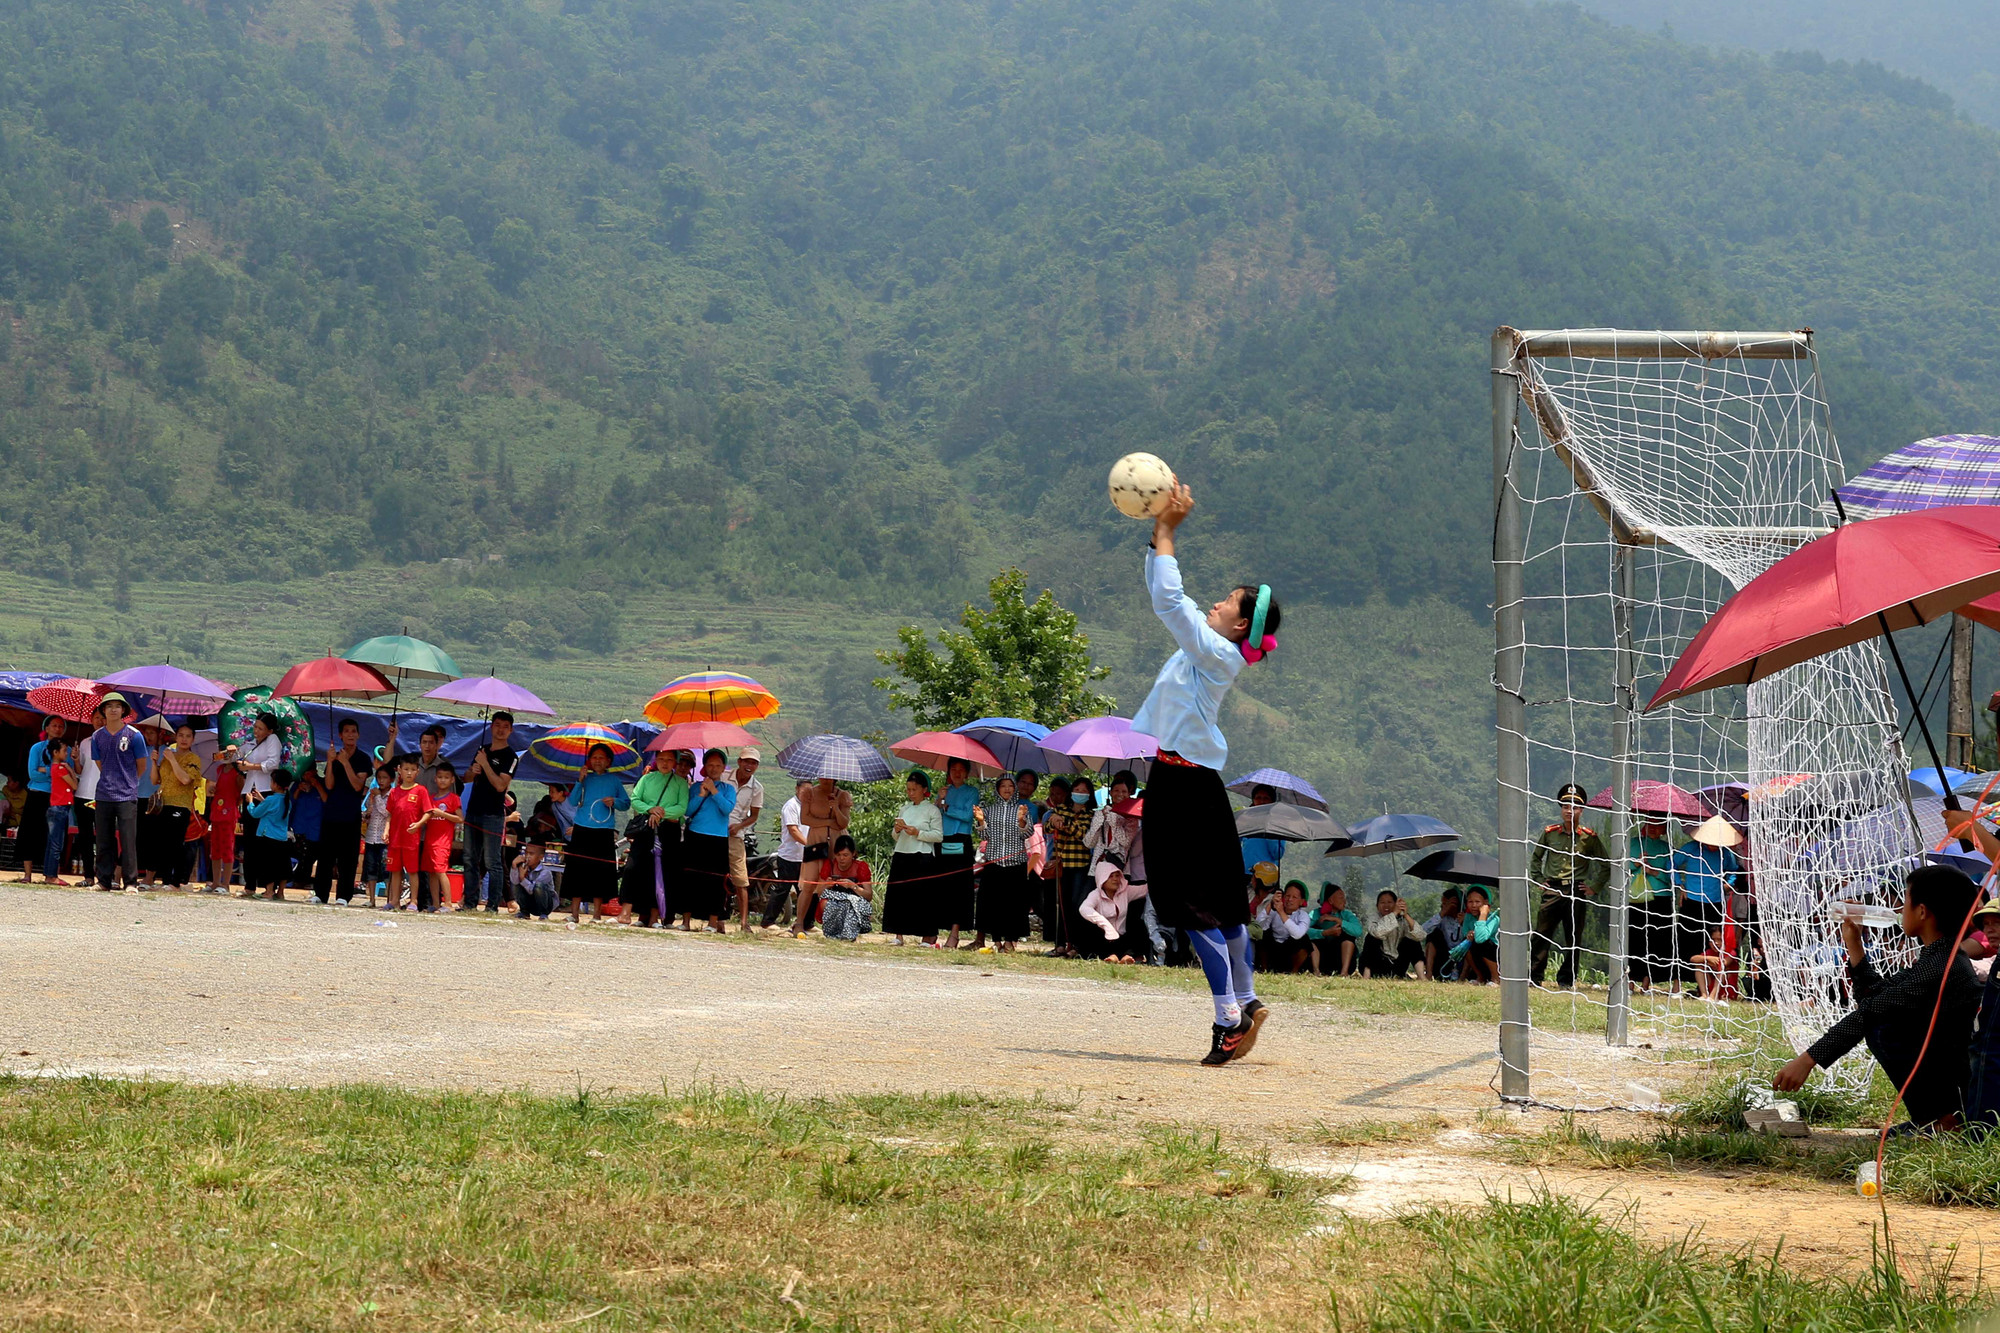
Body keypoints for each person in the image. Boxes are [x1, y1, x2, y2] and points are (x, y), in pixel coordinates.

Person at [1129, 479, 1283, 1065]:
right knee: (1224, 905)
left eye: (1227, 602)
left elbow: (1170, 603)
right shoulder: (1212, 649)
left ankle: (1227, 1021)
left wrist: (1168, 530)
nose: (1215, 603)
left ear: (1241, 626)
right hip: (1201, 787)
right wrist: (1156, 536)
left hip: (1180, 787)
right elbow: (1169, 598)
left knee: (1191, 910)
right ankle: (1246, 999)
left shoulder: (1214, 652)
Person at [1774, 864, 1982, 1132]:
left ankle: (1943, 1118)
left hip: (1954, 1081)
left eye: (1904, 901)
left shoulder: (1941, 965)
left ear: (1921, 911)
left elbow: (1872, 1012)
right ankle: (1933, 1116)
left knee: (1884, 1026)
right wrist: (1854, 943)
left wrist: (1808, 1059)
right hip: (1950, 1074)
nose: (1898, 911)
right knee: (1882, 1020)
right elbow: (1874, 997)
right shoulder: (1940, 957)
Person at [1528, 783, 1610, 989]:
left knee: (1573, 936)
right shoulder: (1550, 833)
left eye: (1574, 807)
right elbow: (1536, 858)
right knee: (1541, 935)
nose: (1569, 811)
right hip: (1552, 889)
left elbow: (1605, 863)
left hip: (1576, 890)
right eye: (1565, 806)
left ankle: (1566, 979)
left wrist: (1595, 887)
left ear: (1581, 810)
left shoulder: (1588, 838)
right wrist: (1539, 880)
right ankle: (1535, 977)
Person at [1673, 816, 1743, 1001]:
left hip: (1715, 903)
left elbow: (1734, 870)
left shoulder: (1725, 854)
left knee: (1710, 945)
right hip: (1692, 901)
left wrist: (1729, 884)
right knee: (1685, 942)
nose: (1713, 846)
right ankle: (1677, 985)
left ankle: (1707, 989)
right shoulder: (1691, 848)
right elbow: (1671, 864)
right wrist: (1680, 884)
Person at [86, 694, 149, 893]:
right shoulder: (97, 736)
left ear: (123, 711)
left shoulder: (134, 734)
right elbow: (100, 764)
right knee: (103, 839)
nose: (113, 710)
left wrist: (129, 782)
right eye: (109, 706)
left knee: (129, 840)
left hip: (127, 795)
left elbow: (142, 765)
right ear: (103, 711)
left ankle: (130, 882)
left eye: (117, 706)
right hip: (104, 793)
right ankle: (104, 881)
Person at [561, 744, 629, 924]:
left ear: (608, 761)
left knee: (600, 872)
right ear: (589, 760)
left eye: (601, 758)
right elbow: (573, 801)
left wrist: (614, 801)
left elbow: (626, 803)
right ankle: (574, 914)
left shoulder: (614, 781)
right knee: (577, 870)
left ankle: (597, 915)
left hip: (603, 831)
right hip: (582, 828)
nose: (597, 761)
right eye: (594, 757)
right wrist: (579, 780)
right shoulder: (585, 779)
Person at [461, 712, 517, 914]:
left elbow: (501, 785)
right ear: (491, 727)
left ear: (510, 731)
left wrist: (485, 764)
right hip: (473, 810)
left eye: (505, 726)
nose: (500, 729)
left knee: (492, 861)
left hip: (493, 814)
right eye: (497, 725)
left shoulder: (511, 756)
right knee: (469, 858)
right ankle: (470, 902)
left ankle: (493, 905)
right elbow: (466, 778)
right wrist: (474, 769)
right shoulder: (481, 750)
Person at [627, 748, 689, 927]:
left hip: (669, 831)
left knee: (663, 872)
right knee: (640, 869)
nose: (665, 763)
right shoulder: (646, 779)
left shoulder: (680, 782)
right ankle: (642, 915)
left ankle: (656, 915)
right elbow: (635, 799)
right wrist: (650, 809)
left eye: (669, 759)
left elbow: (681, 808)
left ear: (675, 763)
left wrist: (661, 813)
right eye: (661, 759)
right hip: (647, 828)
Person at [882, 770, 943, 946]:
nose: (910, 793)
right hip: (902, 854)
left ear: (924, 789)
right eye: (908, 789)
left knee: (923, 898)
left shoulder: (932, 810)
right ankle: (898, 934)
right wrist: (898, 829)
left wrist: (918, 832)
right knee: (899, 896)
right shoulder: (904, 809)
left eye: (914, 789)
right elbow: (895, 836)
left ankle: (927, 935)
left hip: (922, 856)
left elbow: (938, 836)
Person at [974, 774, 1032, 952]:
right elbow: (984, 836)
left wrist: (1022, 820)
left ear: (1015, 789)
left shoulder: (1021, 808)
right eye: (1003, 786)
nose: (1007, 789)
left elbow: (1027, 834)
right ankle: (996, 940)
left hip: (1016, 864)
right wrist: (981, 821)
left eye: (1010, 786)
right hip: (994, 862)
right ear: (997, 789)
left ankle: (1010, 941)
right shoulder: (989, 810)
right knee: (993, 903)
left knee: (1014, 905)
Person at [680, 749, 737, 933]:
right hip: (695, 837)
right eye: (710, 765)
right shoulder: (696, 787)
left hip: (718, 839)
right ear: (704, 766)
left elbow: (726, 809)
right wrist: (702, 794)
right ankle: (686, 921)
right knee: (690, 879)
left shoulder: (728, 789)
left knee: (715, 882)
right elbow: (688, 811)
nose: (714, 768)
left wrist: (714, 791)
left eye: (718, 765)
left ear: (723, 768)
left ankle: (712, 922)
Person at [316, 718, 369, 904]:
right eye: (346, 731)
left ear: (358, 734)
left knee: (348, 858)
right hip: (331, 812)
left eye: (354, 731)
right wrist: (331, 762)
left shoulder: (363, 759)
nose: (350, 734)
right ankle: (320, 894)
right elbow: (329, 784)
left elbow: (357, 786)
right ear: (340, 735)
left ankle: (344, 896)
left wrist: (346, 763)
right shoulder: (335, 757)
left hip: (351, 815)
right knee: (326, 857)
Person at [932, 757, 979, 950]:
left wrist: (947, 807)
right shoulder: (944, 791)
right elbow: (935, 815)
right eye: (953, 769)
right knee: (942, 887)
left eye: (961, 769)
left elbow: (968, 815)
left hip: (961, 840)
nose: (957, 773)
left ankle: (955, 933)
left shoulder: (972, 791)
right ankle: (933, 932)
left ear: (967, 773)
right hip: (943, 840)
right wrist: (939, 801)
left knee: (960, 889)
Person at [15, 715, 66, 883]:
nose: (57, 729)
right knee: (29, 832)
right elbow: (33, 773)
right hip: (37, 794)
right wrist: (54, 772)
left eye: (60, 726)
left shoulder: (66, 749)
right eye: (54, 725)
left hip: (56, 796)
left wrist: (46, 770)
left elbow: (68, 774)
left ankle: (50, 874)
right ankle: (27, 874)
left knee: (53, 836)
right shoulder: (37, 748)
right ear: (47, 728)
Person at [1626, 817, 1675, 994]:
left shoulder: (1666, 848)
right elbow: (1620, 867)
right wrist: (1636, 863)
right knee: (1633, 938)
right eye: (1651, 824)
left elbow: (1672, 876)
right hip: (1636, 897)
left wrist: (1652, 871)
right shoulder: (1631, 843)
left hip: (1660, 897)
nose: (1654, 828)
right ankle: (1629, 982)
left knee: (1656, 940)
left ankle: (1647, 983)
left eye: (1659, 825)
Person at [153, 724, 204, 888]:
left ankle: (177, 882)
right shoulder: (167, 756)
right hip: (164, 804)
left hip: (180, 806)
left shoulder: (193, 759)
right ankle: (166, 880)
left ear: (193, 739)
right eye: (181, 735)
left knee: (176, 844)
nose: (184, 739)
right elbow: (155, 780)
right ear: (175, 737)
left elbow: (185, 779)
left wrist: (173, 760)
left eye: (188, 736)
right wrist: (154, 763)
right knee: (163, 844)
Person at [797, 777, 853, 927]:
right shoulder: (810, 793)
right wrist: (828, 822)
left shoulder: (842, 795)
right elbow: (804, 819)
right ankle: (799, 922)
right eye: (823, 777)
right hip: (816, 841)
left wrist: (835, 807)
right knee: (809, 884)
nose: (825, 780)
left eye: (829, 778)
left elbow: (843, 823)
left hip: (836, 842)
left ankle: (833, 924)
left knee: (832, 883)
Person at [384, 755, 435, 913]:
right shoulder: (394, 792)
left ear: (417, 772)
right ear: (399, 770)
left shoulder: (420, 790)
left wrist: (418, 824)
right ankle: (394, 900)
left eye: (413, 770)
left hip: (411, 839)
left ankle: (413, 901)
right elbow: (389, 815)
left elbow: (429, 812)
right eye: (406, 769)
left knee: (412, 871)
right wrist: (386, 831)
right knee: (395, 870)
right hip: (395, 838)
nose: (409, 773)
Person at [1080, 860, 1150, 963]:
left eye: (1117, 876)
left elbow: (1145, 889)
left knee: (1138, 923)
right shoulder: (1096, 895)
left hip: (1121, 938)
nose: (1115, 879)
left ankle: (1127, 956)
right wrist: (1105, 925)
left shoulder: (1125, 892)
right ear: (1102, 879)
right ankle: (1111, 956)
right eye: (1110, 876)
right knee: (1088, 928)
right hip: (1103, 938)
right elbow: (1084, 908)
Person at [763, 778, 810, 932]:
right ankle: (768, 921)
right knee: (783, 889)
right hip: (790, 856)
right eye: (804, 791)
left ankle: (806, 923)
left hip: (805, 857)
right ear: (797, 789)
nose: (807, 794)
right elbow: (793, 830)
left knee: (806, 891)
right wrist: (809, 844)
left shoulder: (810, 807)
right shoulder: (791, 806)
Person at [726, 748, 765, 931]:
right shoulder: (724, 777)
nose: (750, 766)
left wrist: (739, 826)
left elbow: (754, 816)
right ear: (739, 761)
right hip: (715, 830)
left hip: (736, 835)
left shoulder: (757, 788)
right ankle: (715, 918)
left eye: (754, 763)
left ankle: (743, 922)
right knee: (715, 874)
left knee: (741, 878)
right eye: (747, 761)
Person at [243, 771, 295, 902]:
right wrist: (262, 799)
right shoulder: (287, 800)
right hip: (282, 837)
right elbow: (274, 809)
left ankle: (269, 891)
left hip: (268, 836)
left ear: (276, 784)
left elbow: (255, 813)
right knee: (283, 866)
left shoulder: (271, 800)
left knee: (268, 866)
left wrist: (250, 802)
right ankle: (280, 892)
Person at [1036, 776, 1073, 948]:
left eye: (1059, 794)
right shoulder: (1047, 815)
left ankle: (1068, 940)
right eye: (1052, 794)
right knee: (1051, 903)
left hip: (1070, 863)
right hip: (1052, 862)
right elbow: (1046, 836)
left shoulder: (1073, 814)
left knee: (1066, 903)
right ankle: (1054, 940)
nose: (1055, 797)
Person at [1361, 891, 1428, 979]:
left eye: (1389, 902)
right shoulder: (1373, 918)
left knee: (1412, 939)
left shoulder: (1403, 919)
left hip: (1397, 963)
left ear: (1396, 904)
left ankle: (1421, 976)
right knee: (1371, 938)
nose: (1386, 906)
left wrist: (1406, 915)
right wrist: (1394, 914)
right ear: (1377, 906)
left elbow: (1420, 936)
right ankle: (1366, 976)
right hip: (1378, 964)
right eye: (1382, 902)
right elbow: (1378, 932)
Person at [818, 836, 874, 941]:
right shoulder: (829, 865)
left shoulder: (861, 867)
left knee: (849, 903)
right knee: (825, 903)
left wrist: (853, 886)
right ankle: (833, 933)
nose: (841, 858)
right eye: (838, 855)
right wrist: (826, 885)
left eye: (845, 855)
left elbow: (869, 895)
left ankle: (849, 934)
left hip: (856, 901)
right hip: (834, 900)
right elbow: (819, 893)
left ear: (853, 854)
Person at [424, 763, 462, 912]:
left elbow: (459, 818)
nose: (443, 780)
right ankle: (435, 903)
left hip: (443, 841)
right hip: (429, 839)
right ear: (435, 779)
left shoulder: (453, 799)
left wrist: (443, 814)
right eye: (440, 777)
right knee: (432, 872)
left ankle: (448, 903)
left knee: (441, 871)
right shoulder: (431, 798)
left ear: (452, 780)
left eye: (446, 778)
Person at [1255, 880, 1313, 973]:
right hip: (1273, 948)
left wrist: (1282, 913)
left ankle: (1294, 971)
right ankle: (1264, 969)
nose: (1290, 900)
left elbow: (1298, 934)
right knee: (1263, 934)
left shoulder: (1303, 915)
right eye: (1287, 896)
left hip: (1290, 950)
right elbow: (1259, 926)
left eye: (1294, 897)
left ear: (1302, 901)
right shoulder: (1274, 912)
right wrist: (1271, 904)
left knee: (1304, 940)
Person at [206, 751, 243, 896]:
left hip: (229, 814)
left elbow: (240, 793)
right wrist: (211, 789)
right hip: (217, 811)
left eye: (230, 753)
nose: (226, 755)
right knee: (215, 849)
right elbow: (212, 788)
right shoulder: (219, 770)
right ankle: (215, 882)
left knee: (227, 848)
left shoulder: (238, 772)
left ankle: (225, 884)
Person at [39, 738, 75, 885]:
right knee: (56, 844)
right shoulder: (60, 769)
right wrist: (71, 770)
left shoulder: (54, 768)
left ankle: (49, 874)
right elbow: (74, 785)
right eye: (64, 751)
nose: (66, 753)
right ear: (55, 752)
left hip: (55, 807)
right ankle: (52, 875)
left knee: (51, 842)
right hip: (60, 808)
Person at [288, 764, 327, 897]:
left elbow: (326, 800)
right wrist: (298, 789)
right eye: (304, 774)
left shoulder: (322, 783)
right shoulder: (297, 784)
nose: (306, 776)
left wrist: (316, 785)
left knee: (310, 855)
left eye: (308, 773)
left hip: (315, 826)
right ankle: (293, 879)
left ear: (315, 771)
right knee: (296, 853)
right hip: (299, 825)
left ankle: (304, 880)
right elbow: (291, 800)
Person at [1310, 883, 1362, 976]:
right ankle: (1316, 971)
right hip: (1323, 959)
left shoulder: (1346, 914)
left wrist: (1338, 921)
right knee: (1312, 938)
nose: (1344, 901)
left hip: (1341, 960)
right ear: (1330, 900)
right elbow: (1303, 931)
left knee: (1347, 936)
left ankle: (1344, 972)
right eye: (1341, 898)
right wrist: (1324, 933)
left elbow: (1358, 931)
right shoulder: (1316, 914)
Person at [362, 761, 394, 908]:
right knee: (371, 868)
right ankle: (372, 899)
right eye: (379, 777)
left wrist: (378, 798)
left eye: (385, 778)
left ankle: (389, 899)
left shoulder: (391, 795)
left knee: (386, 870)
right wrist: (366, 814)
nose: (381, 781)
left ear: (391, 780)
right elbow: (370, 810)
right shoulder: (373, 795)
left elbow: (386, 812)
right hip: (370, 837)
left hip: (384, 838)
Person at [1239, 784, 1286, 884]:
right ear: (1253, 800)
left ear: (1272, 801)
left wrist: (1269, 829)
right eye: (1258, 798)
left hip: (1268, 877)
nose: (1262, 801)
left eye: (1266, 798)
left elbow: (1277, 854)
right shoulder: (1246, 820)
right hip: (1246, 874)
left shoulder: (1277, 823)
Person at [1455, 886, 1501, 984]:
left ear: (1485, 903)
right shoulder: (1468, 917)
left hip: (1495, 956)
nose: (1474, 905)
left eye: (1477, 902)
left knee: (1483, 943)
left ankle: (1496, 978)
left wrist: (1483, 915)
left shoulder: (1494, 919)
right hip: (1479, 959)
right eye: (1470, 902)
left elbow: (1481, 938)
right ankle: (1480, 977)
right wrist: (1469, 935)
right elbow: (1465, 933)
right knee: (1467, 944)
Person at [1421, 888, 1466, 981]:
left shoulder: (1467, 918)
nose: (1442, 906)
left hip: (1464, 959)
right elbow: (1422, 931)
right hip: (1445, 959)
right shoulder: (1442, 919)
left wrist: (1464, 922)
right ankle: (1428, 974)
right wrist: (1442, 913)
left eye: (1445, 904)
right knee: (1433, 935)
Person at [510, 837, 560, 920]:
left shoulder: (545, 872)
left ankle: (544, 914)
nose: (527, 856)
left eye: (531, 854)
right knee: (516, 883)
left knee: (539, 886)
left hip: (544, 904)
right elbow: (514, 883)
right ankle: (524, 912)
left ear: (541, 857)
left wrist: (522, 878)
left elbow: (533, 890)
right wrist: (514, 866)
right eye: (526, 853)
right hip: (530, 903)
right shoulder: (523, 867)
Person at [238, 712, 284, 799]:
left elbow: (273, 763)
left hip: (265, 789)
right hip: (249, 790)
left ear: (269, 731)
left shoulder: (272, 739)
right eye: (255, 727)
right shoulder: (249, 743)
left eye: (260, 729)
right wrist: (229, 752)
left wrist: (250, 766)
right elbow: (235, 756)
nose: (256, 731)